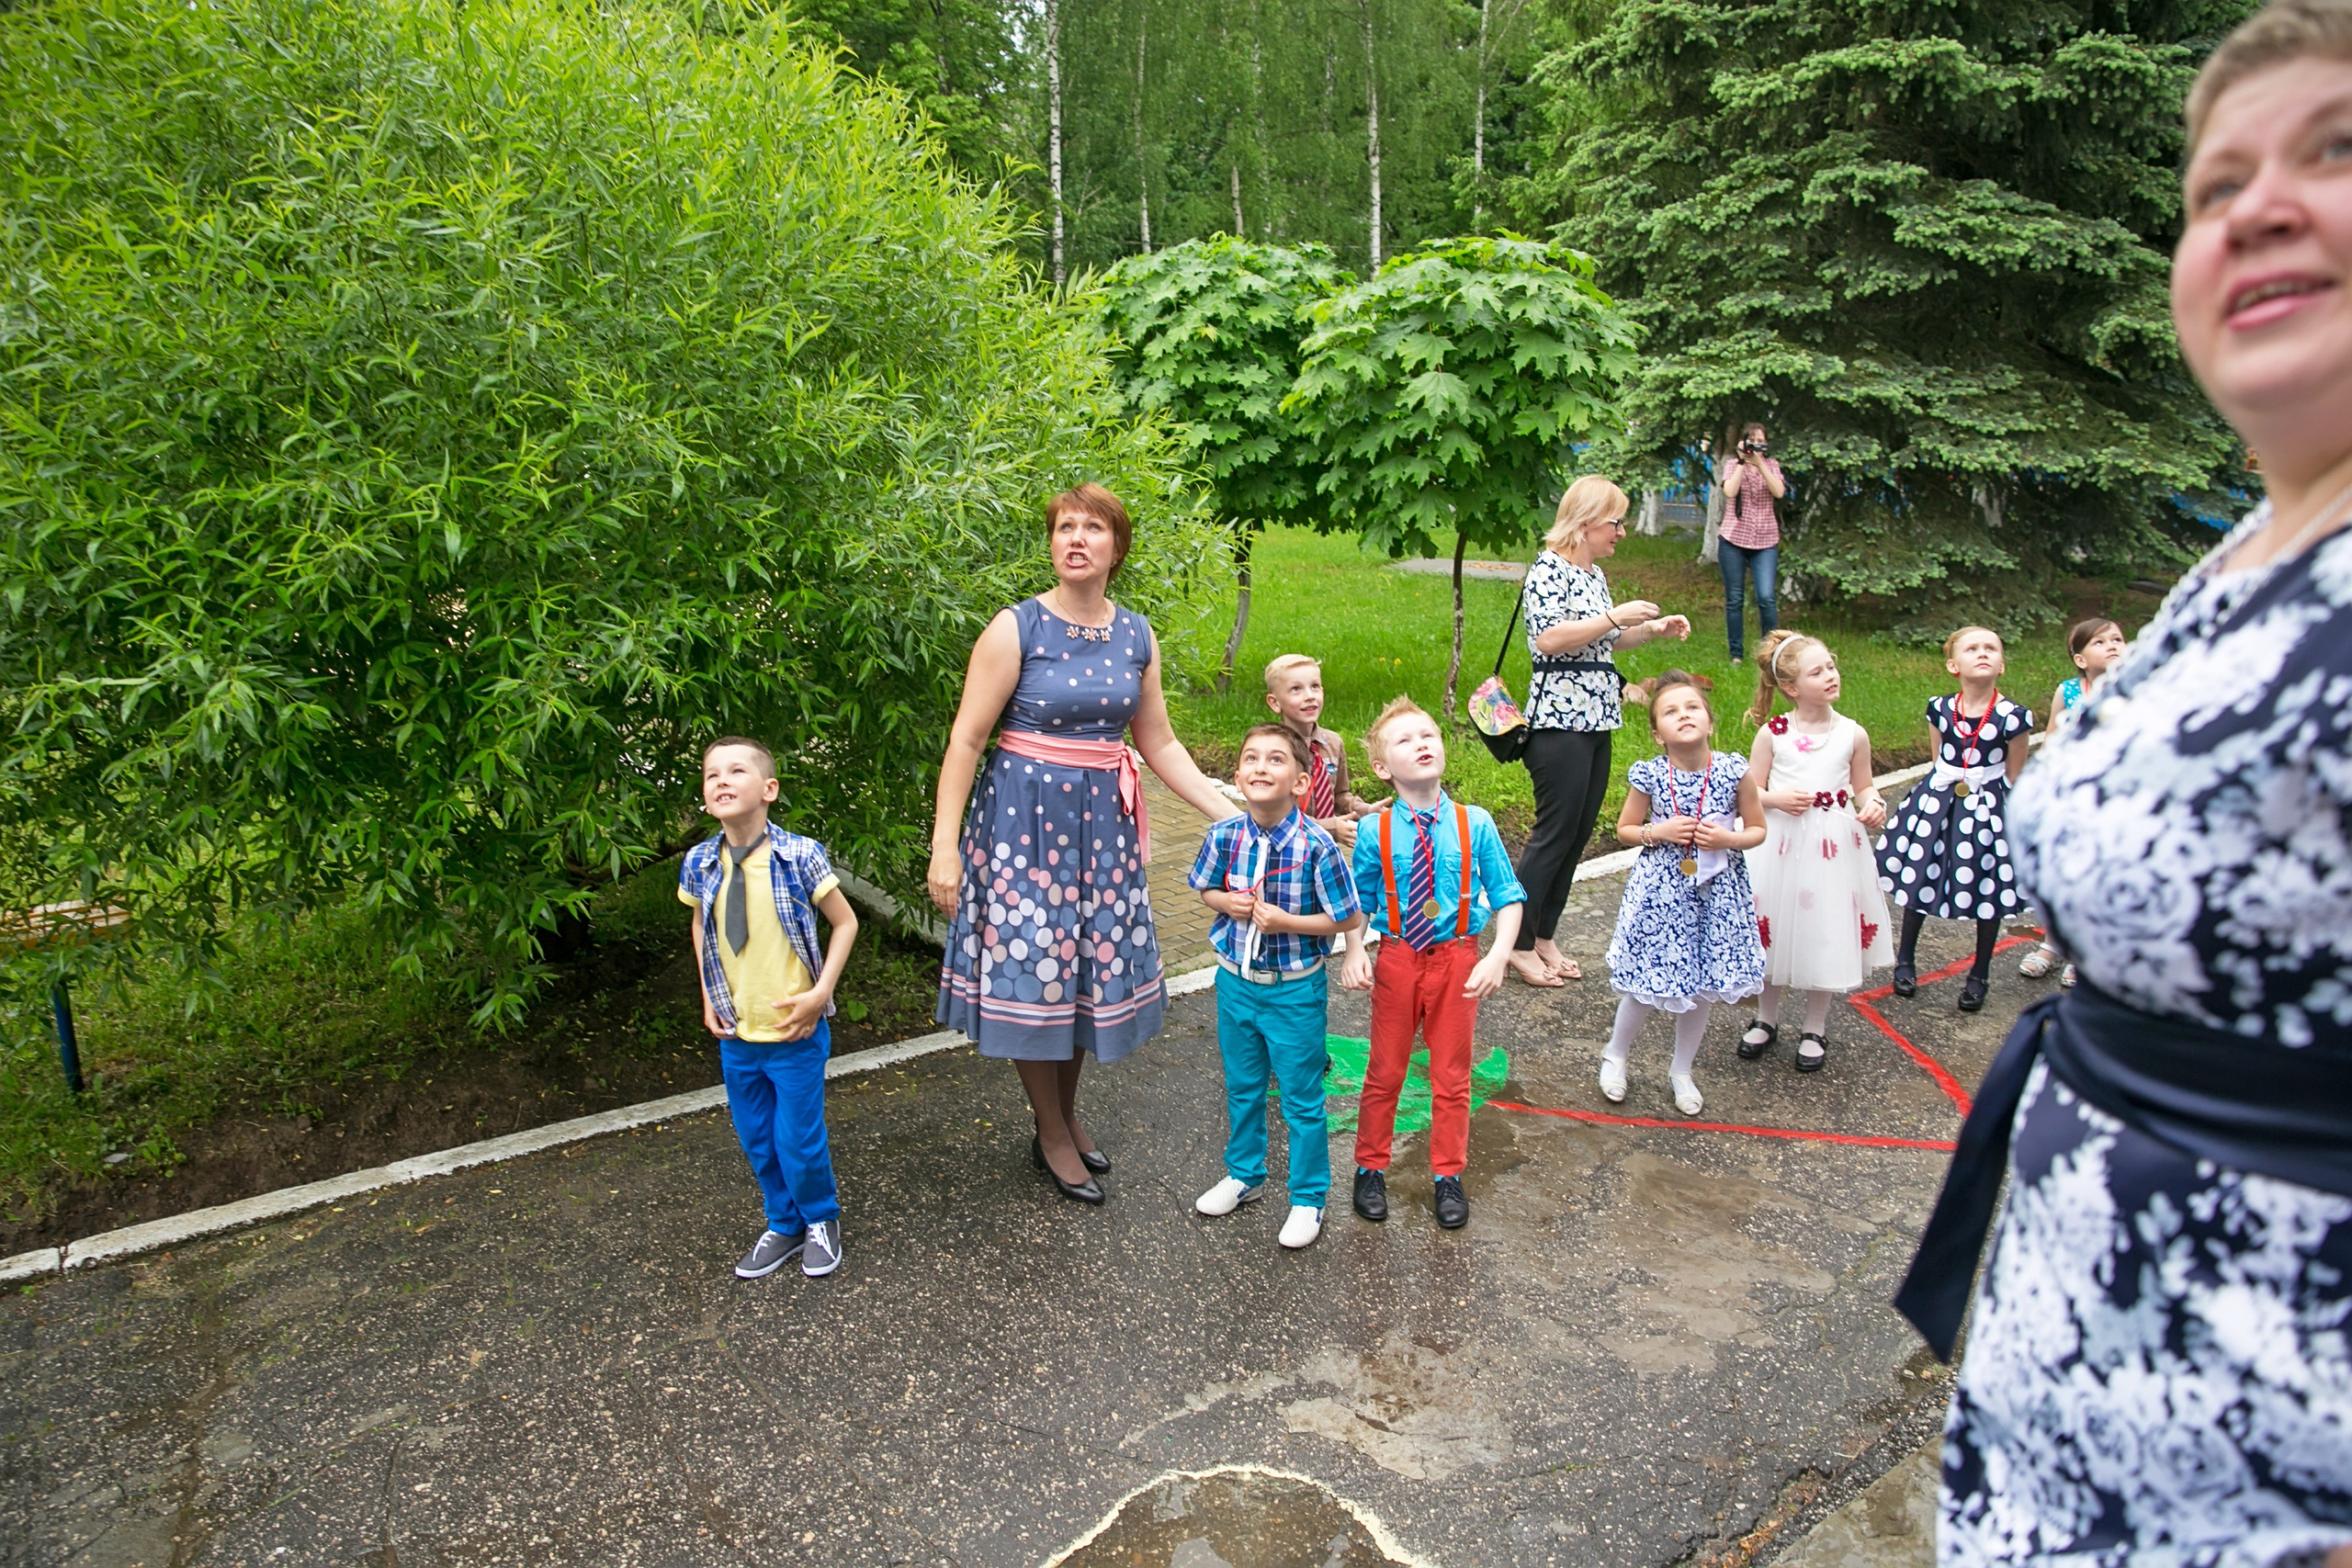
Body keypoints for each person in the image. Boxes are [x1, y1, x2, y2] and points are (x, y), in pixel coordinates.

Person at [1895, 9, 2352, 1562]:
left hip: (2277, 1457)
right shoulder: (2244, 556)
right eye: (2217, 187)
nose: (2260, 208)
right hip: (2080, 1383)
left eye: (2333, 151)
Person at [927, 484, 1238, 1204]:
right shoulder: (1017, 628)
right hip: (1022, 832)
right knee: (1035, 972)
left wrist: (1234, 816)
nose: (1075, 538)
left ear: (1116, 547)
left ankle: (1062, 1115)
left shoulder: (1137, 635)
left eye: (1092, 528)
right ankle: (1052, 1130)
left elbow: (1159, 741)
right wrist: (945, 846)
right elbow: (967, 739)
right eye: (1065, 526)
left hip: (1103, 835)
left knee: (1078, 978)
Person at [679, 738, 862, 1281]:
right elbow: (700, 924)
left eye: (737, 770)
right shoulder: (699, 861)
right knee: (757, 1139)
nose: (721, 780)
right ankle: (784, 1223)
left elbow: (846, 922)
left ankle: (820, 1219)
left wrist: (820, 994)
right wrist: (708, 994)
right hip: (737, 1032)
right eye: (712, 774)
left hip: (793, 1030)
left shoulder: (799, 855)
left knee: (797, 1141)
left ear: (769, 789)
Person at [1340, 698, 1525, 1230]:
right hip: (1399, 958)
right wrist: (1354, 949)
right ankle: (1370, 1167)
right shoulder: (1375, 831)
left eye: (1428, 735)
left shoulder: (1475, 822)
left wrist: (1498, 955)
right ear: (1382, 768)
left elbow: (1508, 895)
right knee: (1385, 1071)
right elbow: (1360, 902)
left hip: (1458, 960)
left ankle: (1448, 1174)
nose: (1421, 744)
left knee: (1451, 1075)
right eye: (1405, 740)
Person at [1187, 724, 1365, 1250]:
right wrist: (1225, 902)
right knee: (1243, 1087)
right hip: (1234, 984)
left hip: (1293, 993)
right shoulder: (1224, 836)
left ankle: (1308, 1198)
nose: (1260, 767)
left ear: (1301, 782)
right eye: (1251, 759)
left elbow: (1347, 917)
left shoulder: (1317, 846)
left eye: (1275, 759)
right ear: (1238, 775)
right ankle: (1245, 1175)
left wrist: (1288, 922)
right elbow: (1205, 889)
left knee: (1301, 1098)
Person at [1510, 476, 1691, 988]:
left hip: (1597, 718)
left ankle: (1544, 935)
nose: (1622, 532)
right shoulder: (1549, 568)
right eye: (1616, 522)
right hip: (1559, 722)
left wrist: (1648, 629)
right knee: (1554, 834)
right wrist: (1612, 616)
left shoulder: (1593, 573)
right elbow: (1549, 639)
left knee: (1577, 835)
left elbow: (1604, 641)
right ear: (1587, 521)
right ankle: (1517, 943)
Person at [1600, 671, 1767, 1116]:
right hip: (1662, 895)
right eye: (1671, 711)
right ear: (1658, 733)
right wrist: (1658, 831)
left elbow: (1758, 829)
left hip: (1718, 894)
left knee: (1703, 983)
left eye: (1693, 707)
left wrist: (1730, 839)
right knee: (1645, 981)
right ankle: (1616, 1054)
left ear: (1710, 722)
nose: (1684, 715)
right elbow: (1625, 829)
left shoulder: (1734, 771)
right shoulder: (1651, 775)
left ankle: (1681, 1070)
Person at [1737, 630, 1893, 1072]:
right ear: (1791, 687)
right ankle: (1766, 1018)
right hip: (1780, 846)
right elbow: (1751, 789)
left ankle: (1814, 1026)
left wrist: (1874, 804)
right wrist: (1777, 799)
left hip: (1831, 849)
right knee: (1772, 927)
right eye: (1817, 672)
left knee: (1823, 927)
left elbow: (1863, 785)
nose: (1830, 676)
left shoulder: (1852, 734)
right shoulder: (1773, 734)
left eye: (1831, 666)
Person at [1875, 626, 2033, 1013]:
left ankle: (1979, 973)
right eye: (1972, 648)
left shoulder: (2014, 717)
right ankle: (1906, 959)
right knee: (1922, 871)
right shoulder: (1940, 708)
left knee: (1989, 884)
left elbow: (2015, 774)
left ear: (2001, 665)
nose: (1983, 653)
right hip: (1940, 803)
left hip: (1989, 807)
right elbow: (1938, 760)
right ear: (1953, 666)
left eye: (1991, 648)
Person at [2017, 617, 2126, 987]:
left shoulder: (2137, 689)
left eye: (2117, 639)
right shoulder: (2068, 691)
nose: (2112, 646)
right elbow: (2052, 737)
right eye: (2100, 642)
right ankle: (2053, 944)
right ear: (2080, 659)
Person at [1262, 653, 1384, 849]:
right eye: (1296, 689)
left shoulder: (1333, 744)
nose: (1309, 696)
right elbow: (1276, 813)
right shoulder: (1271, 751)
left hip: (1324, 850)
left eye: (1315, 686)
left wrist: (1365, 810)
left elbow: (1340, 794)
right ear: (1275, 703)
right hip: (1285, 849)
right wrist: (1331, 827)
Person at [1718, 422, 1785, 663]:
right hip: (1733, 539)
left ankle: (1770, 652)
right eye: (1751, 441)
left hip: (1765, 540)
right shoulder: (1732, 465)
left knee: (1766, 597)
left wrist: (1760, 465)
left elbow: (1778, 492)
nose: (1755, 446)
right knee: (1735, 599)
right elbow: (1730, 491)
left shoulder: (1773, 465)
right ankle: (1736, 654)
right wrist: (1742, 462)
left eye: (1760, 441)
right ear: (1743, 442)